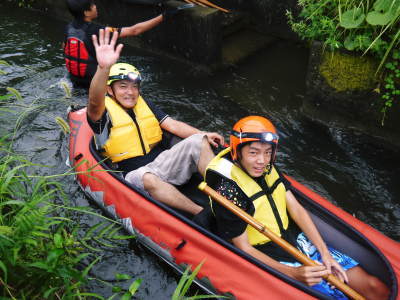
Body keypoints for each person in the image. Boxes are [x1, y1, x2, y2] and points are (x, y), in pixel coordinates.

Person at [204, 116, 389, 300]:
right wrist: (293, 273)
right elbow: (244, 247)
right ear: (238, 151)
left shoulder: (265, 165)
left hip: (295, 237)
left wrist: (325, 253)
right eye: (253, 153)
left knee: (375, 287)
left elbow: (296, 208)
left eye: (268, 152)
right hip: (266, 252)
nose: (262, 160)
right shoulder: (225, 187)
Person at [87, 28, 224, 215]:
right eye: (123, 87)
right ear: (110, 90)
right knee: (149, 179)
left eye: (134, 87)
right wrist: (103, 69)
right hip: (135, 174)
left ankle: (225, 197)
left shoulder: (144, 104)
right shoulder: (102, 114)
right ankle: (201, 213)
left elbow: (173, 125)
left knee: (198, 141)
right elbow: (94, 103)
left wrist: (204, 134)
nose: (130, 92)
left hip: (161, 160)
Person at [64, 0, 185, 88]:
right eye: (92, 5)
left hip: (74, 81)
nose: (96, 6)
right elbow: (134, 30)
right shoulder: (98, 30)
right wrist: (164, 16)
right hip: (95, 83)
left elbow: (67, 49)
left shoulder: (68, 28)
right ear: (86, 12)